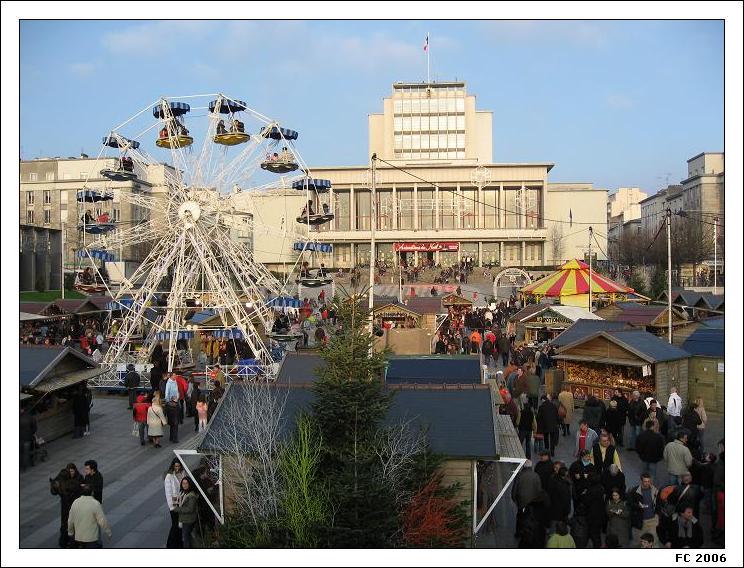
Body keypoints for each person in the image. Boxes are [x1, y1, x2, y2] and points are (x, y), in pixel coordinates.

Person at [50, 463, 83, 548]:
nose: (71, 473)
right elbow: (54, 491)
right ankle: (64, 541)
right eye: (70, 471)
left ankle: (74, 543)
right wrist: (55, 486)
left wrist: (63, 486)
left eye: (72, 471)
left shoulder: (79, 477)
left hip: (75, 505)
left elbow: (78, 487)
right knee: (65, 524)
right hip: (65, 506)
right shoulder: (62, 477)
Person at [627, 472, 660, 543]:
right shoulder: (634, 491)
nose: (647, 483)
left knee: (653, 542)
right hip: (641, 521)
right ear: (641, 481)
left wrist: (657, 516)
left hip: (652, 520)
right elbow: (629, 503)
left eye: (648, 481)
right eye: (645, 481)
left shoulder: (654, 490)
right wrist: (638, 505)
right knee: (638, 542)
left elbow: (658, 504)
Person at [164, 458, 185, 548]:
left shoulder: (182, 473)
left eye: (179, 466)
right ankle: (171, 544)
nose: (177, 468)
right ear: (173, 466)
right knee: (175, 525)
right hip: (174, 505)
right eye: (176, 466)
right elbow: (168, 493)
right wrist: (172, 507)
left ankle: (178, 543)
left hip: (181, 503)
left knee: (180, 525)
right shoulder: (169, 476)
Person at [174, 477, 200, 548]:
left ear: (189, 484)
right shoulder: (183, 493)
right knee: (187, 537)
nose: (184, 485)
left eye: (186, 483)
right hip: (184, 519)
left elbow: (190, 509)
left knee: (186, 538)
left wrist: (178, 509)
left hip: (189, 520)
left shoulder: (191, 496)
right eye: (183, 483)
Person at [516, 393, 534, 460]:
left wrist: (517, 425)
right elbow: (534, 422)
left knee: (520, 444)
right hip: (529, 430)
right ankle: (528, 457)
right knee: (528, 444)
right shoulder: (531, 413)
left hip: (522, 430)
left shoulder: (522, 412)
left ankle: (519, 456)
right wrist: (534, 430)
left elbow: (518, 421)